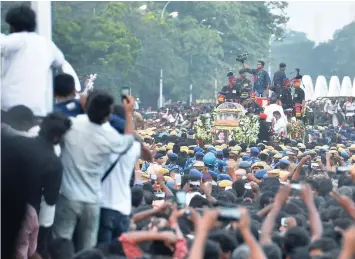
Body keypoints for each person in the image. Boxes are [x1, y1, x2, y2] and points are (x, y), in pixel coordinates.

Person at [53, 91, 136, 251]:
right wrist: (128, 112)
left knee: (61, 245)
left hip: (68, 197)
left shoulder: (72, 125)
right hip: (92, 202)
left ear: (87, 106)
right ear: (107, 116)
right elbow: (128, 139)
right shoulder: (109, 136)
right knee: (88, 251)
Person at [1, 5, 65, 117]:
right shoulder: (46, 43)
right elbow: (59, 61)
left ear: (12, 26)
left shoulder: (16, 39)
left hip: (10, 109)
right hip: (38, 109)